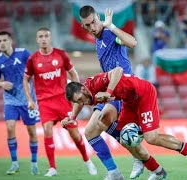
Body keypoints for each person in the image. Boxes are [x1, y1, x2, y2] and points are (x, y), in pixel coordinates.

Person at [63, 67, 187, 179]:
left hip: (143, 94)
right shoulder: (85, 94)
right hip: (129, 101)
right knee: (124, 140)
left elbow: (118, 70)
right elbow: (79, 103)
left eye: (81, 99)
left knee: (151, 137)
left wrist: (108, 91)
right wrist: (73, 117)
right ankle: (157, 171)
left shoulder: (95, 83)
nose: (83, 103)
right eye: (78, 102)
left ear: (83, 89)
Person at [78, 5, 145, 179]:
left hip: (123, 87)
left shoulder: (108, 33)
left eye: (94, 22)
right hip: (111, 90)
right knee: (90, 132)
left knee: (104, 119)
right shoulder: (97, 39)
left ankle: (137, 153)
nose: (92, 27)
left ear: (98, 18)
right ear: (83, 25)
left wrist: (112, 26)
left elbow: (132, 43)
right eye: (87, 25)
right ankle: (115, 172)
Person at [22, 27, 97, 177]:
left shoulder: (61, 55)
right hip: (44, 101)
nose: (43, 39)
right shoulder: (33, 59)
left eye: (46, 36)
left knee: (75, 135)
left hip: (62, 100)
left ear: (50, 38)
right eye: (40, 36)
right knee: (47, 130)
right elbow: (26, 79)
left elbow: (73, 73)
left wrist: (77, 92)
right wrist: (29, 99)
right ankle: (52, 168)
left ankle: (87, 161)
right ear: (37, 40)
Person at [0, 31, 40, 175]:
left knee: (32, 131)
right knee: (10, 126)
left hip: (28, 99)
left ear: (10, 40)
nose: (2, 43)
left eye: (4, 40)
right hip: (10, 99)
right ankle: (14, 163)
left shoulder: (23, 53)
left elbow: (35, 69)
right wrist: (1, 84)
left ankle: (34, 163)